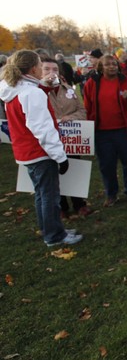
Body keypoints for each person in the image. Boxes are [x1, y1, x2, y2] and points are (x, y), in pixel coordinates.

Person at [0, 50, 83, 246]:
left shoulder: (15, 88)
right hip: (40, 152)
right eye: (40, 65)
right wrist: (60, 156)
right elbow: (43, 129)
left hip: (26, 152)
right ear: (33, 68)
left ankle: (51, 229)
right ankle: (55, 235)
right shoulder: (31, 93)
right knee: (49, 197)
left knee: (41, 195)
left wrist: (44, 87)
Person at [83, 55, 127, 207]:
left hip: (124, 131)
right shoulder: (92, 83)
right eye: (108, 64)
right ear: (100, 67)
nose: (112, 67)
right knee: (106, 165)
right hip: (102, 132)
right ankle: (111, 194)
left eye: (114, 64)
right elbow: (87, 106)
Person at [39, 57, 92, 218]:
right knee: (53, 171)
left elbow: (82, 111)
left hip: (71, 139)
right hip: (48, 140)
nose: (51, 73)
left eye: (55, 69)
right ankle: (61, 206)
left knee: (73, 168)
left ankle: (79, 204)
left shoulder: (68, 89)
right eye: (46, 69)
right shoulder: (36, 92)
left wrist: (71, 118)